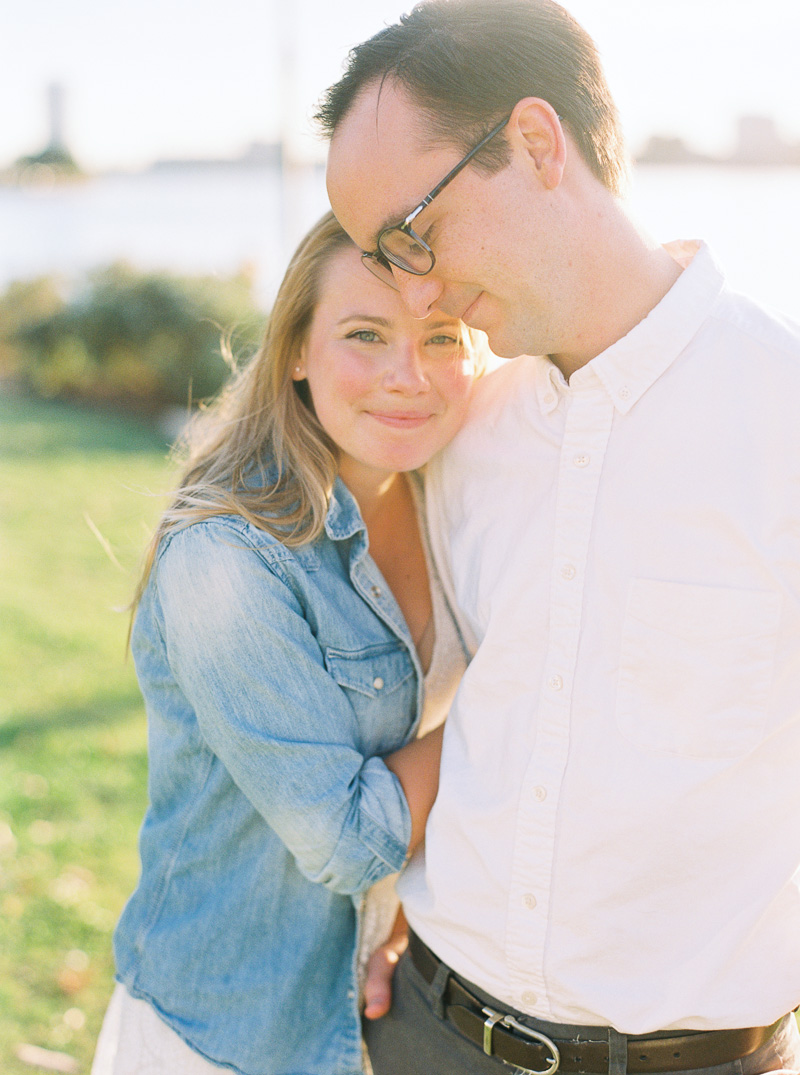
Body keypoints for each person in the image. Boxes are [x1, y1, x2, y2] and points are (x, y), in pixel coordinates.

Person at [317, 1, 800, 1073]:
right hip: (420, 1031)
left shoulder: (783, 411)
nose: (414, 290)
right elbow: (450, 703)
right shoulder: (460, 430)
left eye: (411, 236)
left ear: (536, 144)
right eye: (381, 261)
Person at [90, 210, 483, 1075]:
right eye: (365, 335)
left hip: (383, 1011)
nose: (407, 375)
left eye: (442, 334)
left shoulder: (456, 498)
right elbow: (347, 839)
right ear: (297, 350)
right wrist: (519, 705)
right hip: (227, 1036)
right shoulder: (226, 557)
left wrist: (408, 919)